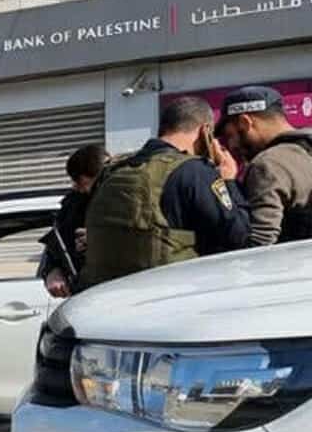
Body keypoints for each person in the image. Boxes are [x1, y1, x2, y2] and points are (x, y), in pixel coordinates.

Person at [78, 96, 250, 290]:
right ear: (205, 131)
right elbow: (238, 237)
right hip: (168, 296)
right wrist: (229, 181)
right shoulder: (194, 171)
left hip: (107, 295)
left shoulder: (111, 171)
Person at [214, 85, 312, 246]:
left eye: (230, 135)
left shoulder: (267, 165)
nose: (231, 146)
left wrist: (228, 185)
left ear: (245, 123)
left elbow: (259, 244)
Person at [40, 144, 110, 298]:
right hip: (87, 294)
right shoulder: (74, 205)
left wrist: (102, 238)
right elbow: (57, 246)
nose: (78, 187)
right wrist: (52, 271)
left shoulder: (131, 198)